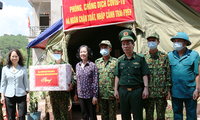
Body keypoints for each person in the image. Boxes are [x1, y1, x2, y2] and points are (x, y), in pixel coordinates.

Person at [114, 29, 150, 120]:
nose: (126, 46)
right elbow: (117, 75)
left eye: (128, 43)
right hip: (123, 91)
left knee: (138, 115)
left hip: (137, 91)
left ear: (133, 45)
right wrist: (115, 90)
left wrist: (146, 88)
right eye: (123, 44)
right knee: (125, 115)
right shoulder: (120, 60)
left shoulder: (140, 58)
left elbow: (144, 74)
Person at [168, 32, 199, 120]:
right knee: (177, 114)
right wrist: (168, 90)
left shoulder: (194, 55)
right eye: (175, 41)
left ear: (185, 43)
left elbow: (197, 74)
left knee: (191, 115)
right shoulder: (169, 55)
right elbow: (167, 74)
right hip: (175, 91)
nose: (176, 43)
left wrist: (197, 89)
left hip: (190, 91)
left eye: (179, 41)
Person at [143, 31, 171, 120]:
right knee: (148, 116)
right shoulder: (143, 58)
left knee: (161, 116)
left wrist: (168, 90)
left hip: (161, 93)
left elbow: (168, 74)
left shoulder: (164, 57)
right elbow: (142, 75)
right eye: (149, 40)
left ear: (158, 42)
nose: (151, 42)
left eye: (153, 40)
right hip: (149, 93)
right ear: (147, 42)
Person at [48, 45, 76, 120]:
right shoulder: (50, 66)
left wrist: (72, 84)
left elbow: (74, 77)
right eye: (55, 52)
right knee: (56, 114)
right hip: (53, 94)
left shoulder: (67, 65)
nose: (56, 54)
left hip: (64, 95)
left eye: (58, 52)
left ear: (62, 53)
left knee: (64, 115)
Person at [0, 49, 29, 120]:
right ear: (10, 57)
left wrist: (28, 93)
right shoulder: (5, 69)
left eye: (16, 56)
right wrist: (2, 96)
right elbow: (3, 83)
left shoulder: (23, 68)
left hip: (21, 94)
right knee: (10, 116)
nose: (14, 58)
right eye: (12, 56)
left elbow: (26, 82)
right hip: (9, 95)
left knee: (22, 115)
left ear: (19, 57)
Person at [74, 45, 98, 120]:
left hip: (90, 95)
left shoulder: (92, 65)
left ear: (88, 53)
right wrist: (75, 94)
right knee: (84, 115)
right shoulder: (77, 65)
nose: (82, 53)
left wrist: (95, 95)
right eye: (81, 52)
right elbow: (76, 81)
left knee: (92, 115)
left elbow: (95, 81)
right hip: (81, 95)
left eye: (84, 51)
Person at [95, 40, 118, 120]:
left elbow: (118, 77)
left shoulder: (115, 62)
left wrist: (117, 90)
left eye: (106, 47)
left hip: (112, 94)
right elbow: (95, 79)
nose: (103, 49)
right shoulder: (97, 62)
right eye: (102, 47)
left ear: (110, 49)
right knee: (104, 116)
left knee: (112, 117)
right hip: (101, 95)